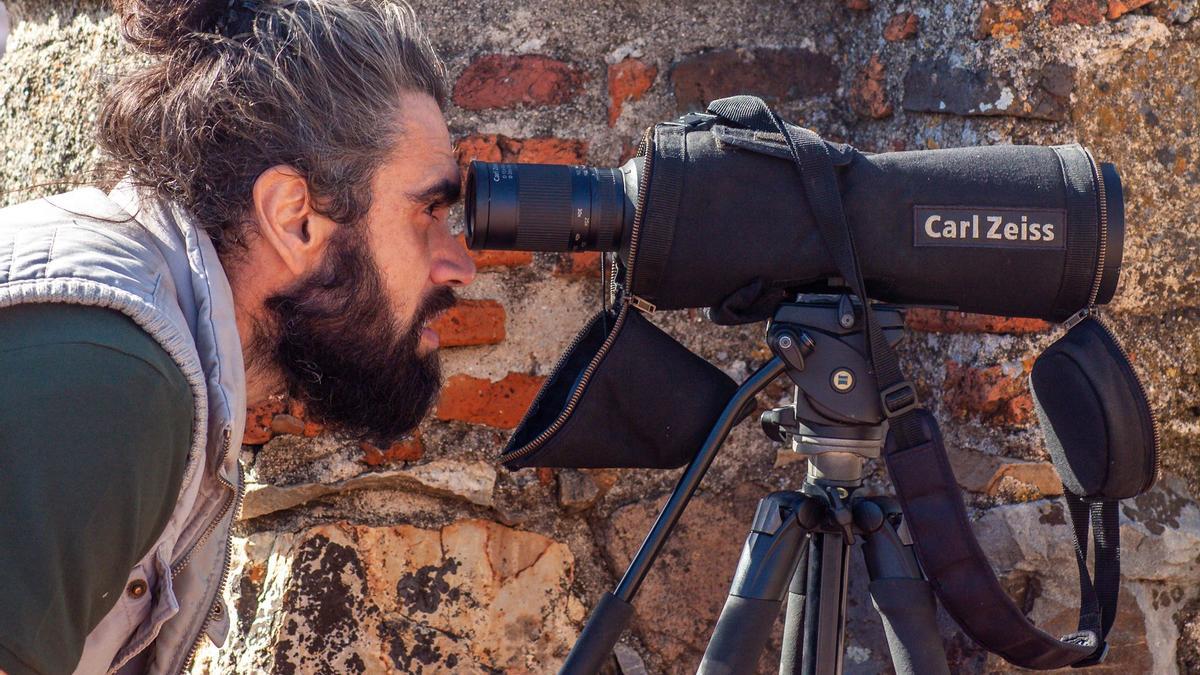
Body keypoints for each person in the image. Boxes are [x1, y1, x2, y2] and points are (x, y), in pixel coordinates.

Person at [0, 1, 475, 673]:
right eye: (428, 211)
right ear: (295, 217)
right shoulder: (118, 381)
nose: (462, 263)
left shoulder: (138, 346)